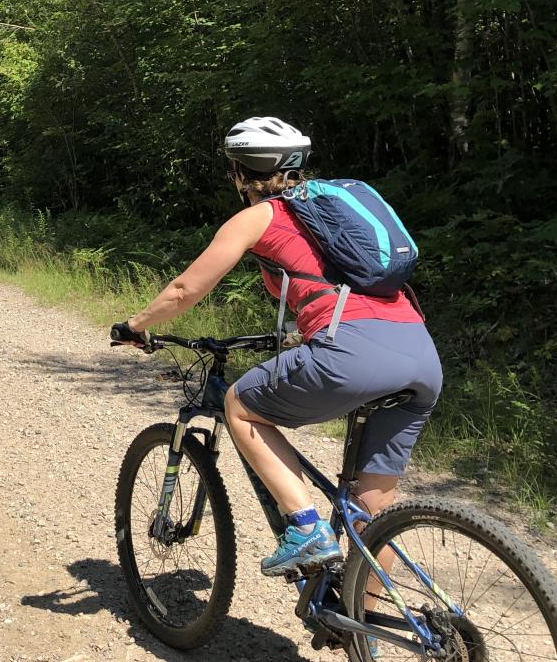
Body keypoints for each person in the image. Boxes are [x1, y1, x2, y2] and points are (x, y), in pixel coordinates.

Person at [115, 117, 442, 577]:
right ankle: (362, 631)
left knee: (240, 405)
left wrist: (135, 324)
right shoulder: (332, 209)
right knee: (371, 513)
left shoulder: (260, 216)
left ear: (240, 174)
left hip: (352, 353)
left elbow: (185, 289)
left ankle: (306, 527)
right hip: (421, 354)